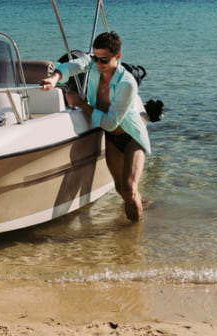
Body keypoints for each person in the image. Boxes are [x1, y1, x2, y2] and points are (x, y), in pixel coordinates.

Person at [40, 31, 150, 221]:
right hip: (112, 139)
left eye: (104, 60)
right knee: (120, 190)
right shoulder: (93, 64)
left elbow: (109, 122)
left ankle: (135, 244)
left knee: (129, 189)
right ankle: (142, 209)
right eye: (96, 58)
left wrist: (81, 104)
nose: (98, 64)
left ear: (118, 57)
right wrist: (54, 79)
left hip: (131, 136)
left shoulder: (127, 84)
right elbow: (70, 66)